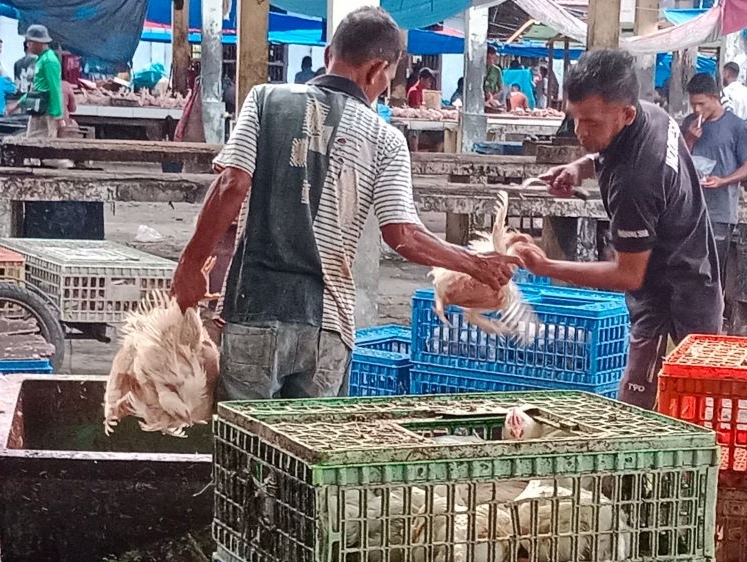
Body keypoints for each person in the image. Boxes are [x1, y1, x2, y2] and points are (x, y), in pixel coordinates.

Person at [170, 6, 516, 401]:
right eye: (386, 78)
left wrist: (191, 264)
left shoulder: (265, 100)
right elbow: (403, 235)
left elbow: (232, 184)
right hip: (328, 327)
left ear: (327, 54)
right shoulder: (385, 139)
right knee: (310, 453)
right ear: (376, 71)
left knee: (245, 450)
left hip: (255, 312)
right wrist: (474, 264)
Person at [514, 49, 722, 411]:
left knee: (652, 411)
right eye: (575, 118)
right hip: (695, 277)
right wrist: (580, 166)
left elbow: (627, 274)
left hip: (674, 306)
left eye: (591, 123)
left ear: (625, 114)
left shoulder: (636, 182)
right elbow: (610, 152)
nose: (580, 131)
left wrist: (546, 267)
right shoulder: (650, 115)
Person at [682, 73, 747, 289]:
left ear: (715, 97)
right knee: (687, 266)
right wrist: (689, 138)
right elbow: (678, 160)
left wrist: (723, 181)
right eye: (693, 104)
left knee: (713, 269)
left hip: (720, 211)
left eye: (701, 104)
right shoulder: (688, 124)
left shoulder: (736, 126)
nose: (697, 110)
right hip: (690, 209)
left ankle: (714, 316)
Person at [20, 25, 62, 138]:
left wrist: (57, 114)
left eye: (30, 42)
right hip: (38, 109)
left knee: (43, 146)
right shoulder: (41, 59)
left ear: (38, 42)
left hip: (47, 112)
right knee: (32, 144)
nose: (28, 45)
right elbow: (37, 87)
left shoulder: (49, 60)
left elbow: (55, 87)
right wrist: (19, 102)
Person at [484, 46, 504, 110]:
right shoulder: (478, 69)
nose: (491, 61)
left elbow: (501, 89)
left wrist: (492, 97)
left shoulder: (497, 70)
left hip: (492, 101)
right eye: (488, 58)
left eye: (493, 59)